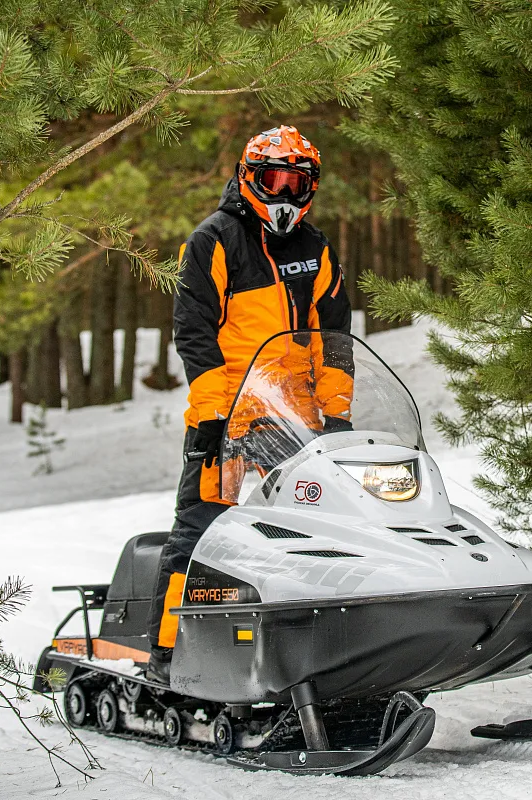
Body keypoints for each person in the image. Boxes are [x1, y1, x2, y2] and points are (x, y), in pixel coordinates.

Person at [146, 125, 353, 684]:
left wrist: (336, 416)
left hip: (300, 422)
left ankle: (326, 650)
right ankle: (168, 654)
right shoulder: (214, 240)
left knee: (326, 536)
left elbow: (334, 338)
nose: (284, 193)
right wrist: (213, 417)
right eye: (273, 180)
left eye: (296, 182)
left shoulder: (316, 248)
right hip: (231, 416)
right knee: (202, 529)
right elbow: (195, 335)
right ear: (248, 177)